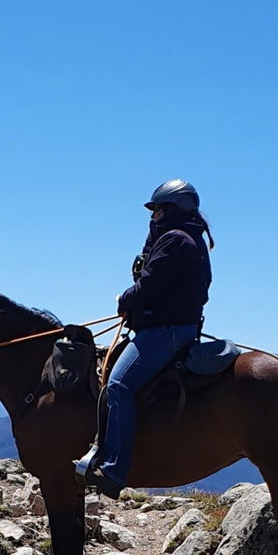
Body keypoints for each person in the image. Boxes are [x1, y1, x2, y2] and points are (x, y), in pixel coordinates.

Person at [76, 178, 214, 498]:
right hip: (180, 327)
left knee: (119, 386)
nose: (153, 217)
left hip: (163, 331)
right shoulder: (191, 239)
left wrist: (124, 300)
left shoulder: (174, 240)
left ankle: (114, 470)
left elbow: (150, 287)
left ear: (172, 209)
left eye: (158, 210)